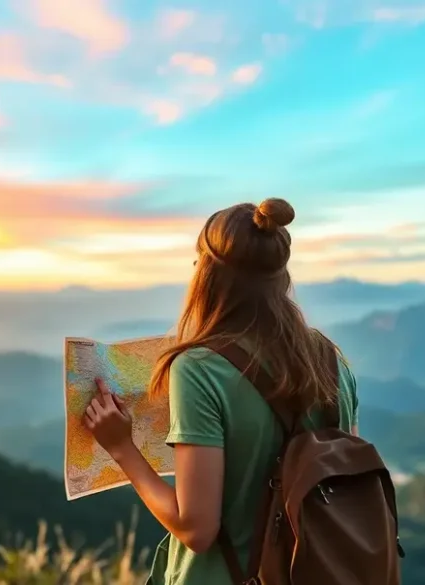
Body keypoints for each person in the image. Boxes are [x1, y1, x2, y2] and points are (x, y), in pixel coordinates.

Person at [83, 198, 362, 585]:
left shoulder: (199, 369)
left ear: (207, 273)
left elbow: (196, 530)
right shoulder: (329, 360)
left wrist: (121, 448)